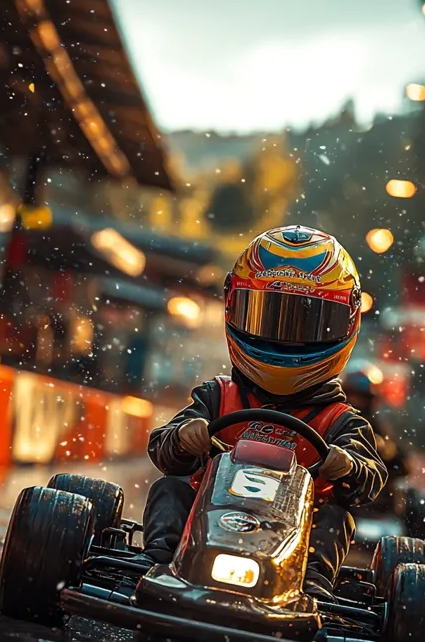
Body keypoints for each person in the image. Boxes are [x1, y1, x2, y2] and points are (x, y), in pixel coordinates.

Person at [142, 225, 387, 600]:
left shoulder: (341, 421)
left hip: (293, 549)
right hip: (204, 530)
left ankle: (313, 591)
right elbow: (162, 450)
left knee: (335, 514)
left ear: (345, 325)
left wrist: (348, 467)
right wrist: (183, 438)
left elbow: (371, 482)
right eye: (268, 318)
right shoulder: (216, 396)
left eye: (305, 323)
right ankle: (158, 564)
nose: (284, 338)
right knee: (173, 486)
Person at [340, 365, 411, 489]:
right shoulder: (333, 420)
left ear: (371, 400)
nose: (355, 402)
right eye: (351, 396)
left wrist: (383, 449)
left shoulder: (375, 426)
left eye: (361, 398)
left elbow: (403, 466)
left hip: (368, 497)